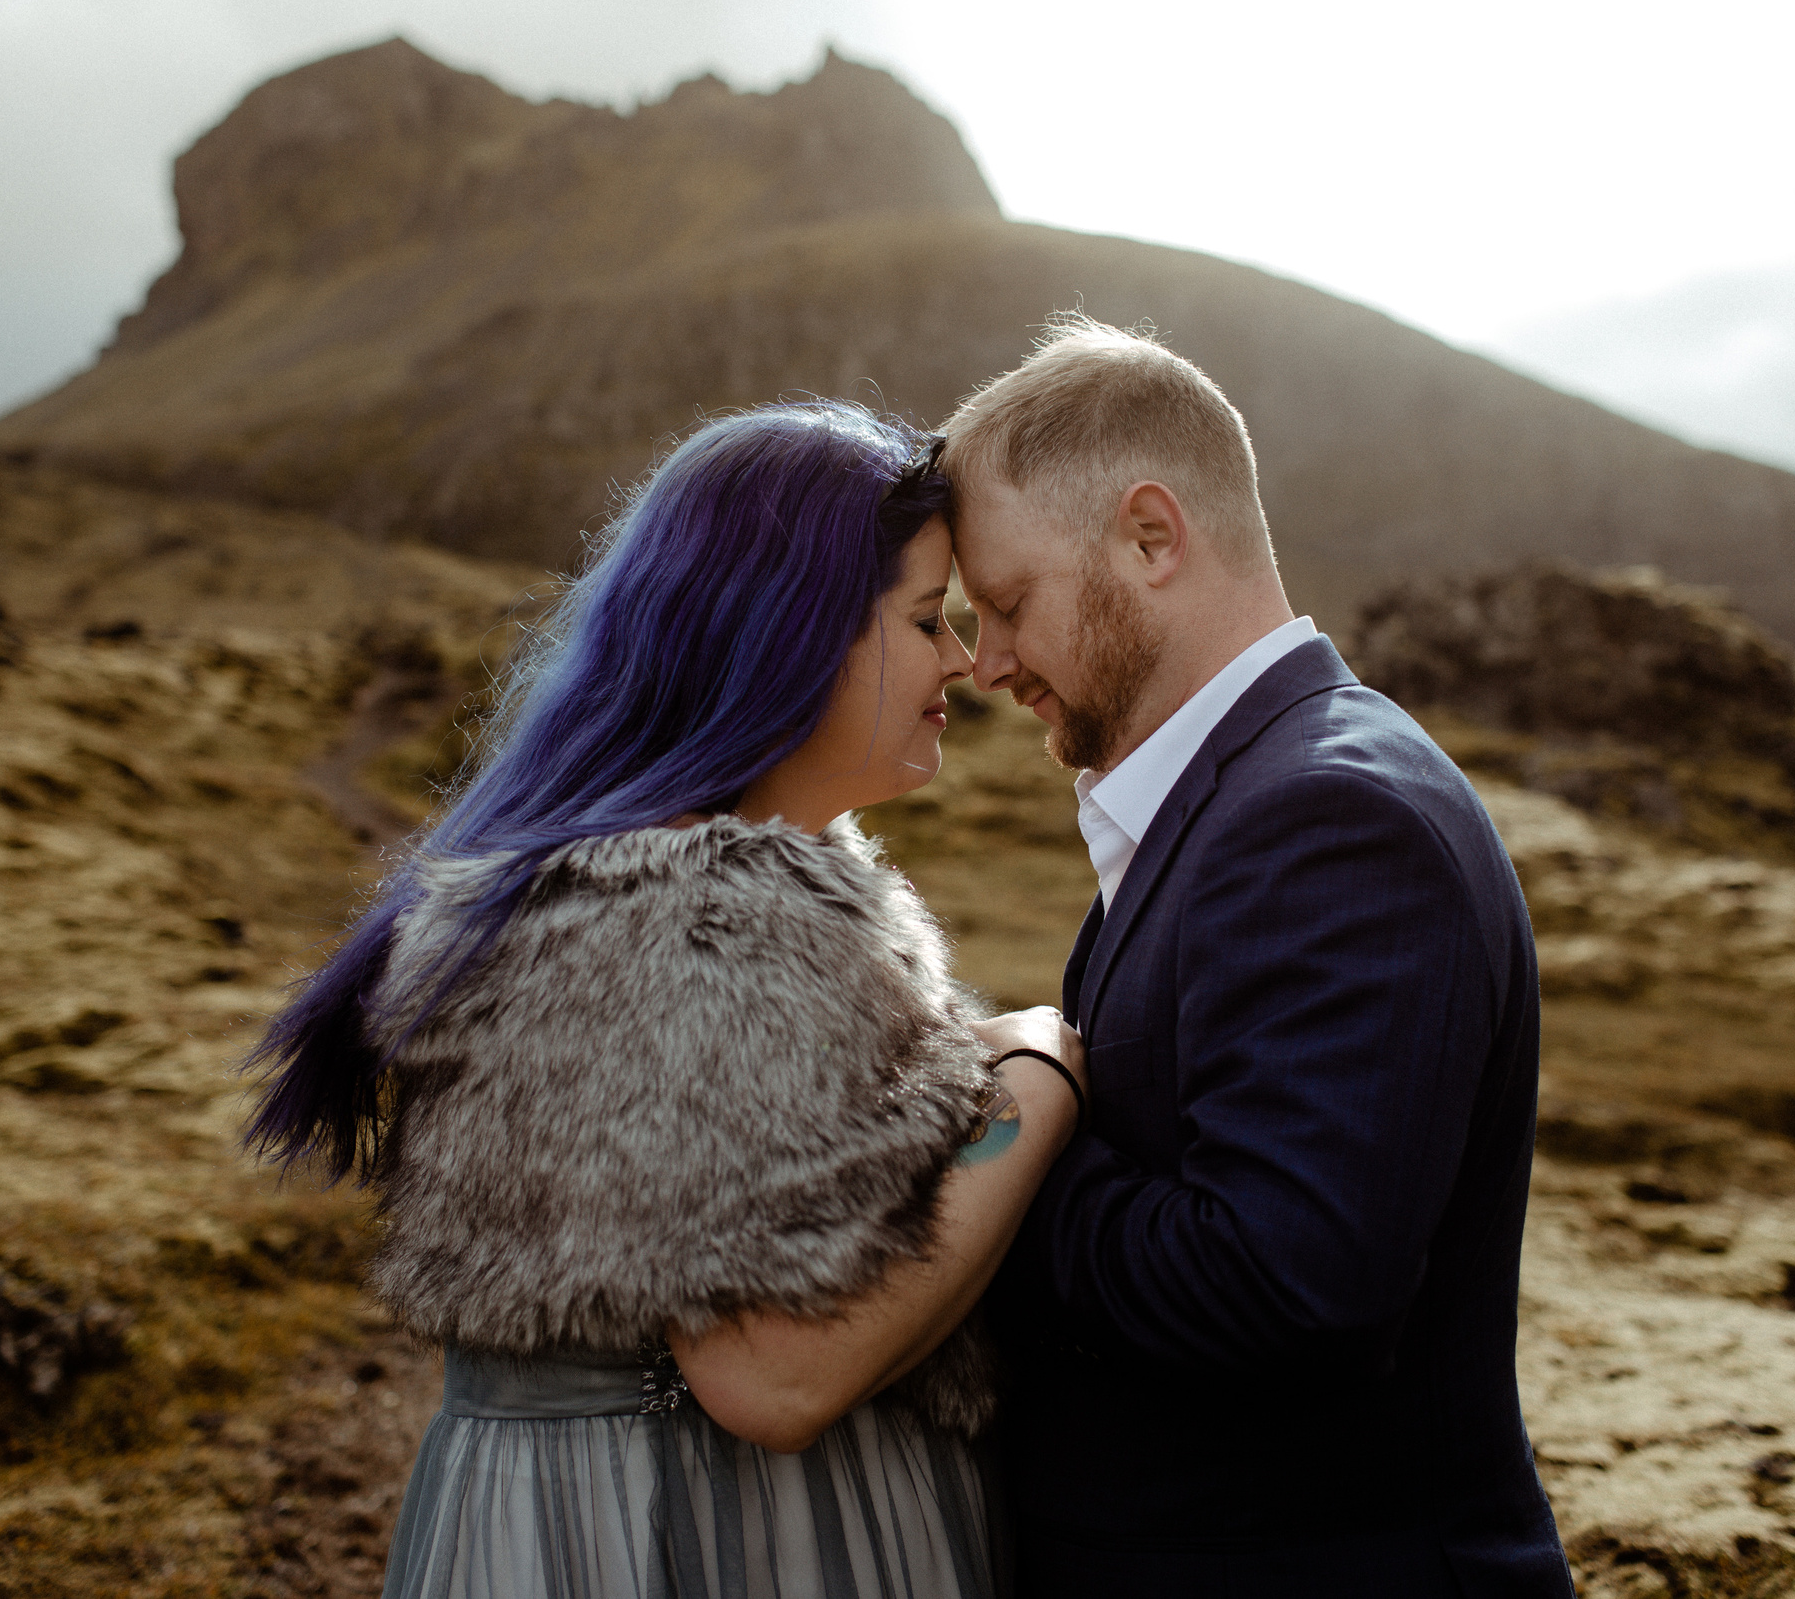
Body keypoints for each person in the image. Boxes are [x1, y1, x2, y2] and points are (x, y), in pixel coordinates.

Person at [242, 402, 1090, 1599]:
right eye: (921, 618)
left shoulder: (667, 881)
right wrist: (1036, 1074)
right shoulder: (691, 911)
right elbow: (771, 1375)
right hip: (702, 1534)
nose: (962, 661)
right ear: (785, 637)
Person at [941, 317, 1577, 1596]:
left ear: (1150, 536)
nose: (986, 662)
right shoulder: (1238, 796)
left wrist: (1006, 1134)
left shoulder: (1336, 817)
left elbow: (1284, 1288)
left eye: (1007, 605)